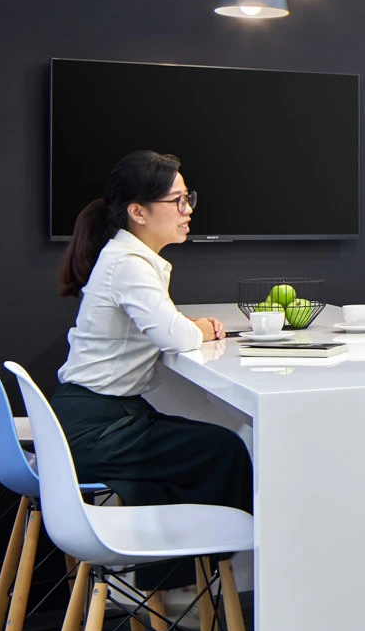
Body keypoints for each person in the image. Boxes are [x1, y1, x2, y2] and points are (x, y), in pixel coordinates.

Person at [54, 150, 251, 592]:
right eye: (177, 202)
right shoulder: (129, 264)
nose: (188, 212)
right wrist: (196, 327)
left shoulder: (130, 259)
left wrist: (188, 326)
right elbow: (176, 336)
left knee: (207, 444)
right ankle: (203, 576)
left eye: (189, 199)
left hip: (97, 415)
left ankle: (185, 578)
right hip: (95, 426)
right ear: (138, 212)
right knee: (222, 448)